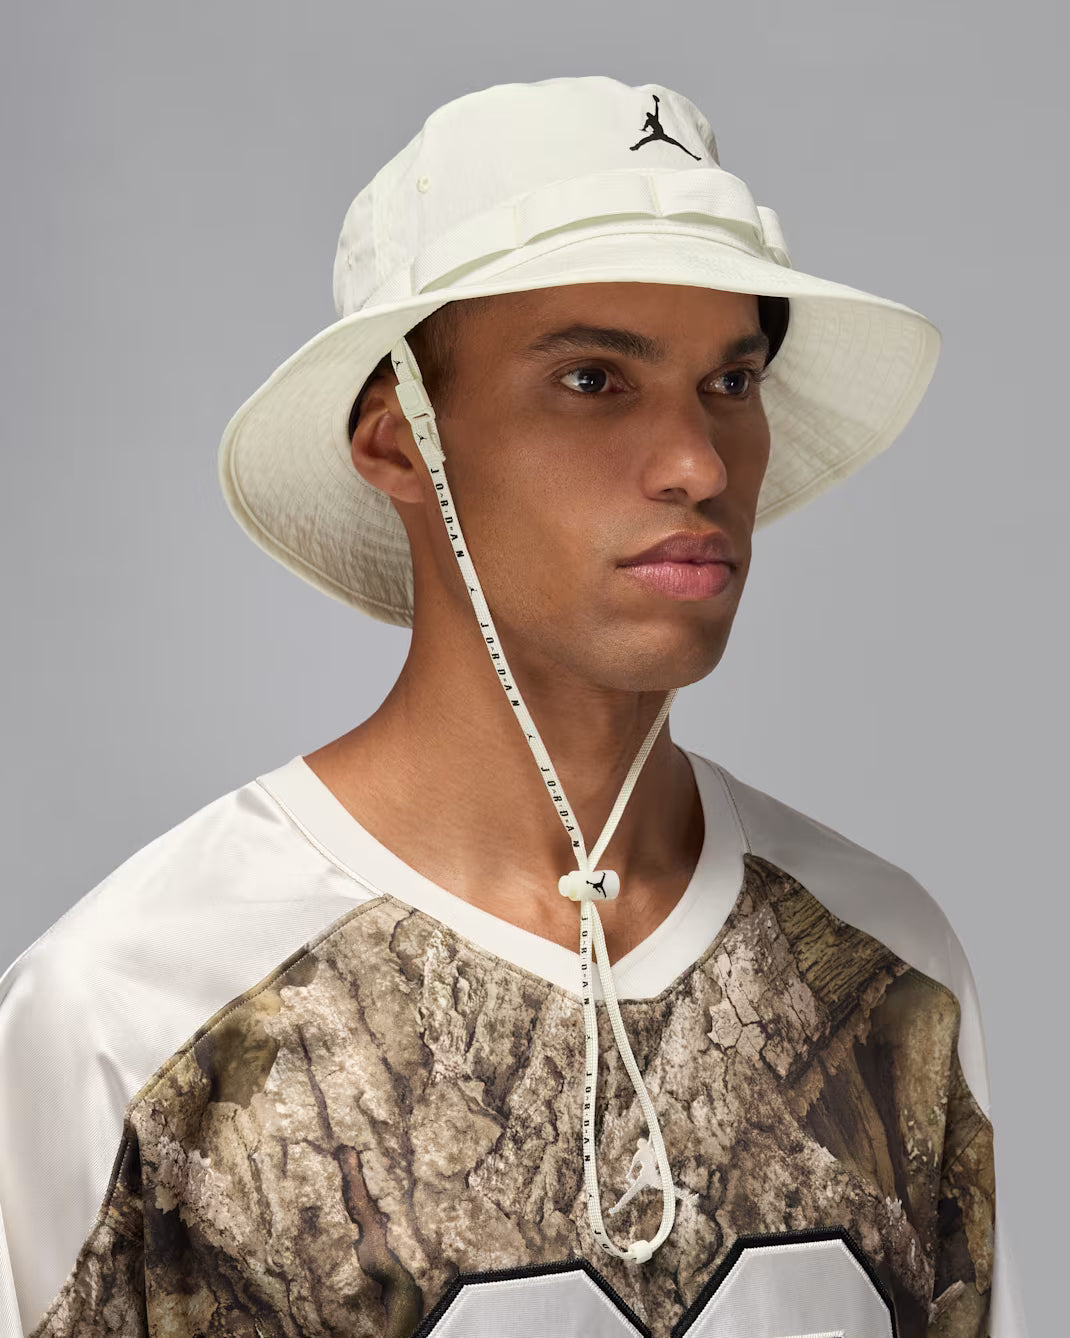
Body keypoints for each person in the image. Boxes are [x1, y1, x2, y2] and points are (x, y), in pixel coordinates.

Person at [0, 75, 1026, 1337]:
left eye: (731, 381)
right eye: (592, 379)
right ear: (399, 441)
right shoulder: (136, 1016)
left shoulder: (887, 977)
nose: (697, 463)